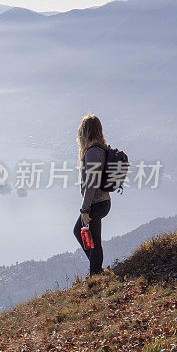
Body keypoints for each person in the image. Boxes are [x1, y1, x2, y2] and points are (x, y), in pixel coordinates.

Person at [72, 114, 111, 275]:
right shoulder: (101, 148)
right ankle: (97, 270)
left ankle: (96, 275)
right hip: (102, 201)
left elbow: (92, 183)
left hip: (96, 203)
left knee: (91, 240)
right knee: (90, 238)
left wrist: (85, 210)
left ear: (86, 132)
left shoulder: (93, 152)